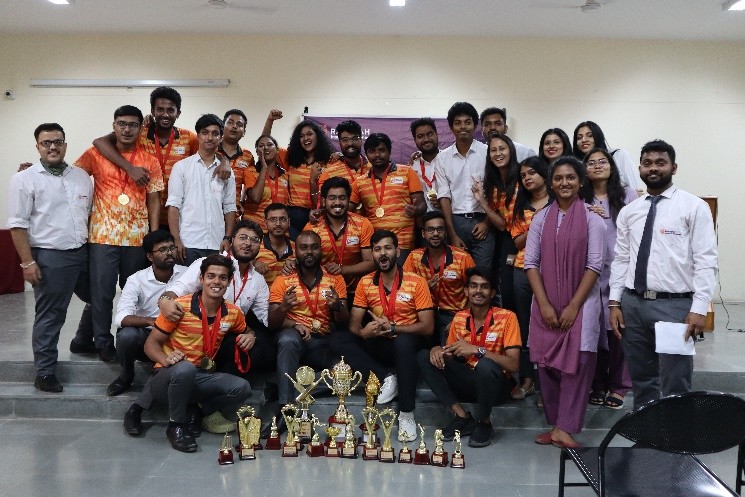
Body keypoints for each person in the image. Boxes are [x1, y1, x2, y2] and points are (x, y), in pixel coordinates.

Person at [609, 140, 717, 409]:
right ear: (640, 169)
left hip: (674, 306)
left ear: (674, 167)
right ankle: (648, 431)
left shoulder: (693, 207)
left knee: (675, 382)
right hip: (632, 305)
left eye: (660, 162)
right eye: (647, 163)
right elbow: (621, 259)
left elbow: (706, 260)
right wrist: (614, 302)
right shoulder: (630, 211)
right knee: (642, 381)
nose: (653, 168)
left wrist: (700, 308)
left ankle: (675, 433)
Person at [135, 255, 253, 452]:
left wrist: (251, 336)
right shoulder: (179, 307)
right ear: (201, 279)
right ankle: (176, 426)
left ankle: (198, 411)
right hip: (168, 376)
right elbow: (150, 344)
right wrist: (165, 359)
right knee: (185, 369)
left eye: (222, 278)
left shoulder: (233, 313)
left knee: (242, 388)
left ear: (229, 281)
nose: (216, 282)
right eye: (211, 276)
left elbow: (247, 330)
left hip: (200, 376)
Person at [525, 156, 605, 448]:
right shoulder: (540, 219)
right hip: (544, 302)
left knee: (579, 363)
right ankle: (556, 425)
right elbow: (531, 263)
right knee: (546, 365)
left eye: (571, 177)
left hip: (581, 304)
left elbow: (594, 265)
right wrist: (545, 304)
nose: (564, 183)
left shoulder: (594, 220)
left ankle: (565, 427)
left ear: (581, 181)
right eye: (558, 178)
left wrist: (573, 306)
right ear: (551, 183)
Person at [7, 123, 93, 392]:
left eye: (58, 142)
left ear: (65, 145)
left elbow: (89, 213)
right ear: (38, 147)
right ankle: (45, 372)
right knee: (52, 314)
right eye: (47, 143)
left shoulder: (81, 176)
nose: (53, 147)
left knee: (99, 298)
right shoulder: (24, 179)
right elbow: (18, 225)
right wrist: (27, 262)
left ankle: (82, 340)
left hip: (83, 252)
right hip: (50, 257)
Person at [75, 105, 163, 363]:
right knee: (101, 293)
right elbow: (71, 177)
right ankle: (102, 342)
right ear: (113, 125)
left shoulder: (149, 160)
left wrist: (153, 235)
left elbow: (154, 199)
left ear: (140, 128)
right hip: (102, 236)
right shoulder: (95, 155)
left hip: (136, 237)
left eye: (132, 125)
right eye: (121, 124)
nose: (127, 129)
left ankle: (129, 339)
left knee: (133, 291)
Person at [334, 230, 435, 442]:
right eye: (377, 249)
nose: (383, 253)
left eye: (387, 248)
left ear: (397, 252)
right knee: (339, 339)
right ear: (372, 254)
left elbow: (427, 328)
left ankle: (406, 413)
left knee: (404, 342)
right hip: (379, 342)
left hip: (408, 343)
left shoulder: (416, 282)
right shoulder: (365, 282)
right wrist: (363, 332)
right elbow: (353, 323)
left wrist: (394, 328)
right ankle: (386, 377)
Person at [91, 87, 229, 227]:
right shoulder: (139, 134)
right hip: (143, 216)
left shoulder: (189, 138)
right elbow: (100, 142)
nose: (165, 115)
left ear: (178, 113)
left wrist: (224, 161)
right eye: (160, 109)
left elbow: (209, 152)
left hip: (180, 215)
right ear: (152, 111)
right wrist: (130, 168)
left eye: (170, 110)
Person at [417, 267, 520, 448]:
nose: (478, 291)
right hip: (468, 380)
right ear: (466, 291)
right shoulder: (459, 318)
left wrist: (477, 350)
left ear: (492, 293)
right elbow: (449, 355)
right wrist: (437, 350)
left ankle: (485, 423)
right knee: (424, 356)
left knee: (485, 365)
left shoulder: (508, 317)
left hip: (495, 386)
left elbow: (513, 365)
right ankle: (462, 416)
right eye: (473, 286)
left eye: (484, 287)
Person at [159, 220, 272, 377]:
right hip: (198, 331)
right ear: (232, 240)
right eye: (243, 237)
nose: (248, 243)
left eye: (254, 240)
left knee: (264, 344)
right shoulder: (209, 264)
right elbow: (176, 290)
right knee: (234, 345)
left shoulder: (258, 280)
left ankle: (226, 384)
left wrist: (252, 335)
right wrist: (164, 301)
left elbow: (265, 319)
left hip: (230, 329)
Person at [267, 230, 348, 435]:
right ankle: (287, 408)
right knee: (287, 339)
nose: (309, 252)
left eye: (314, 247)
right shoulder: (283, 280)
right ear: (296, 251)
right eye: (304, 248)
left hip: (323, 342)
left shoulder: (335, 279)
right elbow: (272, 323)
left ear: (321, 250)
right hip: (296, 340)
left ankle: (284, 389)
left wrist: (337, 306)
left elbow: (344, 321)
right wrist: (284, 308)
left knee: (347, 374)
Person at [580, 148, 638, 409]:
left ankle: (620, 385)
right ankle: (597, 383)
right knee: (593, 328)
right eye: (591, 163)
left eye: (602, 161)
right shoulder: (580, 197)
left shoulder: (627, 195)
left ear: (612, 166)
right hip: (589, 271)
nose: (597, 166)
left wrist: (613, 215)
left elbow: (637, 229)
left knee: (617, 329)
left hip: (620, 270)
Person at [108, 230, 187, 396]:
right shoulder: (136, 280)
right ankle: (126, 375)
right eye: (162, 250)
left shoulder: (186, 274)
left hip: (180, 336)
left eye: (171, 248)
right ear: (150, 256)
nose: (169, 253)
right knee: (126, 336)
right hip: (148, 337)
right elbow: (121, 317)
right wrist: (152, 322)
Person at [167, 114, 236, 266]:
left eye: (215, 133)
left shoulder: (227, 172)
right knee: (187, 282)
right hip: (188, 242)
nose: (209, 138)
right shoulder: (181, 167)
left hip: (217, 243)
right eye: (205, 133)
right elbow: (174, 206)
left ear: (221, 137)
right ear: (198, 136)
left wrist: (227, 238)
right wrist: (176, 239)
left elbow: (230, 208)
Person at [432, 102, 493, 273]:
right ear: (451, 127)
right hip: (455, 221)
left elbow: (496, 191)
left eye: (467, 122)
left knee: (483, 273)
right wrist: (452, 233)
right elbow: (444, 195)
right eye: (458, 123)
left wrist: (487, 223)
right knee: (456, 273)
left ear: (475, 125)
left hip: (483, 220)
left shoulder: (488, 153)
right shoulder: (442, 158)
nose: (463, 127)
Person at [509, 156, 551, 400]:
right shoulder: (520, 207)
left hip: (553, 271)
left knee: (551, 326)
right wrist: (537, 223)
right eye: (523, 175)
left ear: (544, 174)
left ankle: (550, 382)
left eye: (532, 173)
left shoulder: (559, 202)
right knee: (525, 326)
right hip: (523, 270)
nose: (527, 178)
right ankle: (527, 380)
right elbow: (517, 242)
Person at [351, 133, 426, 265]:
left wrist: (416, 210)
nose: (377, 155)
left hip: (402, 242)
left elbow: (422, 204)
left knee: (400, 275)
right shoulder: (359, 182)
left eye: (381, 150)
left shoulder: (407, 172)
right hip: (375, 243)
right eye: (372, 151)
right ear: (366, 154)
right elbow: (347, 209)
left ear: (389, 152)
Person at [403, 211, 475, 344]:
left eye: (440, 229)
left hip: (453, 315)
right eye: (430, 230)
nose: (435, 233)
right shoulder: (414, 257)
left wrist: (460, 319)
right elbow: (403, 292)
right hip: (423, 313)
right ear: (423, 233)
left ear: (446, 232)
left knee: (446, 350)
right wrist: (424, 288)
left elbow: (475, 292)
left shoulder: (463, 258)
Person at [303, 176, 375, 296]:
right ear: (324, 201)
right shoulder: (312, 227)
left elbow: (371, 262)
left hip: (355, 291)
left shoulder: (363, 224)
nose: (337, 202)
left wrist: (343, 270)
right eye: (332, 198)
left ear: (348, 200)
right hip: (322, 293)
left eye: (342, 198)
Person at [472, 133, 520, 310]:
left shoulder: (522, 175)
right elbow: (501, 224)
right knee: (506, 289)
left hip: (528, 238)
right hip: (509, 238)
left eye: (502, 149)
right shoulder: (493, 183)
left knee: (522, 288)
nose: (498, 153)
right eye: (493, 150)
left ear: (511, 151)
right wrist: (482, 201)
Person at [284, 121, 335, 235]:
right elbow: (265, 144)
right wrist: (270, 120)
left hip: (317, 215)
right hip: (292, 216)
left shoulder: (329, 162)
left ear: (318, 136)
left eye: (309, 134)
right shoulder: (292, 161)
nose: (305, 138)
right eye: (301, 136)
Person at [572, 121, 642, 192]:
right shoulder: (577, 165)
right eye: (579, 137)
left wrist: (634, 196)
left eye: (590, 136)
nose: (584, 140)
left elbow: (636, 188)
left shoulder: (618, 155)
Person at [241, 135, 289, 231]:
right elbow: (256, 197)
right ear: (257, 151)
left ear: (277, 150)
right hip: (254, 230)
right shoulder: (250, 172)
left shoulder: (285, 175)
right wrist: (264, 168)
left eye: (270, 144)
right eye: (261, 145)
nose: (266, 147)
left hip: (277, 230)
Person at [317, 120, 371, 193]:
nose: (350, 143)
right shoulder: (329, 173)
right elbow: (322, 199)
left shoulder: (373, 168)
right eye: (345, 140)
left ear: (361, 140)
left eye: (354, 138)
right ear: (339, 143)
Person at [220, 109, 255, 218]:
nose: (234, 126)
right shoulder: (211, 149)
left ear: (244, 132)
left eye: (239, 125)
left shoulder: (248, 156)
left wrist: (242, 202)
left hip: (232, 215)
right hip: (207, 211)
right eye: (230, 122)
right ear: (222, 127)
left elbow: (250, 184)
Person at [255, 203, 295, 287]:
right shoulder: (255, 245)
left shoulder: (298, 248)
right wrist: (253, 263)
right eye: (273, 219)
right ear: (265, 223)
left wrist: (297, 264)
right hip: (260, 293)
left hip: (288, 293)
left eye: (282, 219)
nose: (278, 223)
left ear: (289, 222)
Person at [409, 118, 441, 212]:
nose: (426, 139)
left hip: (449, 216)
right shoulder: (411, 167)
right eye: (420, 136)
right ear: (415, 140)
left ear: (437, 135)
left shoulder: (449, 160)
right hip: (422, 218)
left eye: (430, 134)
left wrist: (445, 199)